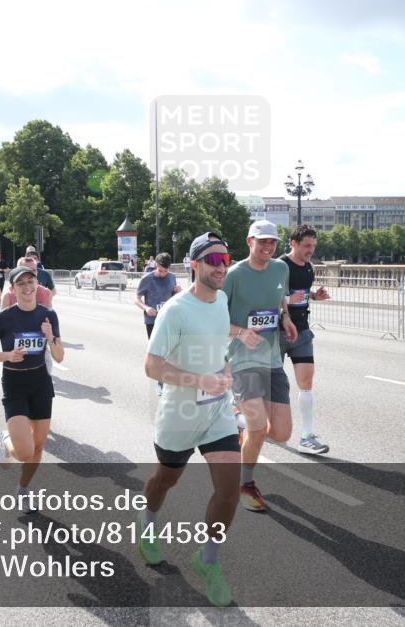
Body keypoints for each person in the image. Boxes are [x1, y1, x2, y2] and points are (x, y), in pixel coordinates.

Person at [138, 231, 238, 607]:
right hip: (179, 414)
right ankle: (148, 521)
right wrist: (200, 380)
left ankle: (207, 560)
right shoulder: (175, 309)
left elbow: (218, 346)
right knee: (165, 479)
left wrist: (224, 373)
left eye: (226, 260)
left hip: (217, 412)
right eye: (213, 260)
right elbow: (151, 366)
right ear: (194, 265)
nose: (221, 266)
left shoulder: (223, 299)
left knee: (229, 492)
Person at [223, 220, 297, 513]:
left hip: (272, 359)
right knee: (258, 427)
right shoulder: (233, 275)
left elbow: (281, 301)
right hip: (241, 360)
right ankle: (244, 484)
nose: (268, 247)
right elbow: (215, 319)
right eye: (262, 241)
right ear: (249, 241)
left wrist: (287, 318)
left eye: (272, 242)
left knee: (280, 433)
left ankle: (239, 420)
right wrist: (241, 332)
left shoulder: (281, 269)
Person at [0, 266, 63, 511]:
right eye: (21, 284)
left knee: (38, 447)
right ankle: (6, 440)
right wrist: (7, 355)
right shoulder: (4, 318)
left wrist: (50, 337)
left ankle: (23, 489)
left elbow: (59, 357)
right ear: (13, 289)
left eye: (31, 282)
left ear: (37, 284)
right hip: (14, 384)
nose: (27, 288)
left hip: (40, 383)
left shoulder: (48, 315)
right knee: (24, 452)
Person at [279, 225, 332, 455]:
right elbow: (270, 294)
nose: (311, 250)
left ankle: (306, 436)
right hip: (277, 332)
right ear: (294, 243)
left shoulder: (310, 268)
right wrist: (290, 299)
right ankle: (244, 416)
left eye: (313, 246)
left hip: (301, 331)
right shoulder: (280, 266)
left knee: (306, 382)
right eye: (306, 246)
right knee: (268, 384)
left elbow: (302, 292)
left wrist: (314, 296)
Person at [135, 252, 181, 395]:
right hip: (152, 321)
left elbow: (176, 298)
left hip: (168, 320)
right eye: (160, 270)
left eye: (166, 271)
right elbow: (136, 299)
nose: (163, 273)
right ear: (155, 265)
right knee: (158, 353)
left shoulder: (172, 278)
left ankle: (166, 381)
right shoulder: (147, 279)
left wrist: (179, 292)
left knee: (170, 351)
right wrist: (146, 308)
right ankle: (160, 382)